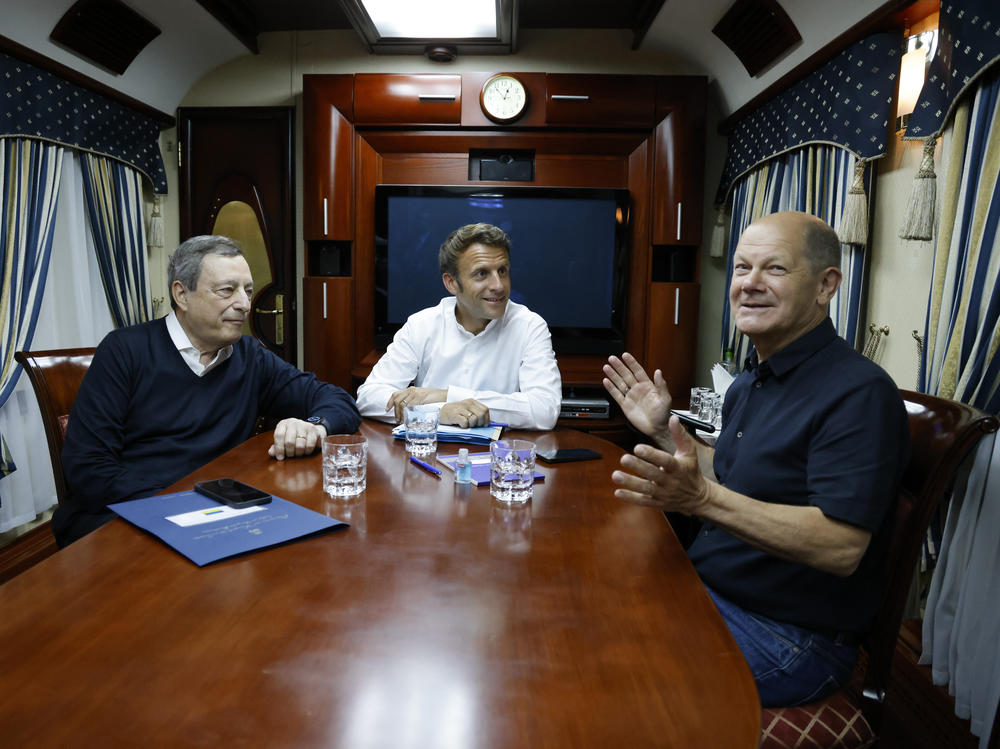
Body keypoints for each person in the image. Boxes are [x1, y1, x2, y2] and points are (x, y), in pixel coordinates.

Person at [602, 211, 910, 707]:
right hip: (711, 594)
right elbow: (727, 477)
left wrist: (702, 500)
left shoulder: (859, 393)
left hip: (790, 639)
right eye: (742, 269)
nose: (750, 284)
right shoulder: (749, 383)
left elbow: (841, 547)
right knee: (570, 611)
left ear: (825, 285)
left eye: (776, 269)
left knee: (593, 670)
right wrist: (663, 430)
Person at [54, 235, 361, 547]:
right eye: (227, 291)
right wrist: (189, 504)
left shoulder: (250, 355)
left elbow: (339, 401)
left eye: (248, 291)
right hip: (128, 515)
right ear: (182, 294)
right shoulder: (124, 351)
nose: (244, 304)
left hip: (220, 514)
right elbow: (87, 466)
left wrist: (316, 426)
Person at [356, 223, 561, 430]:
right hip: (427, 453)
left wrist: (445, 395)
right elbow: (368, 397)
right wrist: (437, 412)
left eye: (502, 271)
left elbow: (545, 411)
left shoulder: (530, 326)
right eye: (481, 274)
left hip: (501, 456)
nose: (498, 285)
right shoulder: (422, 325)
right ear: (451, 283)